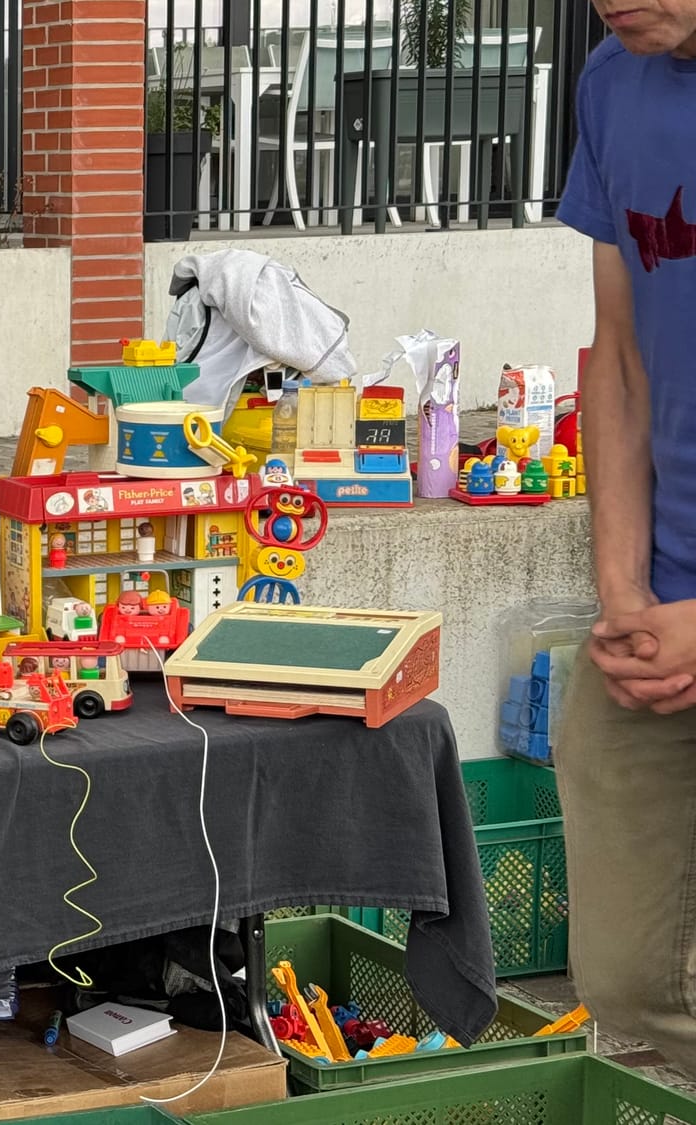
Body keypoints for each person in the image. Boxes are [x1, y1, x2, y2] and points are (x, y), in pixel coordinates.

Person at [552, 0, 696, 1078]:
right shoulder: (610, 81)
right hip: (659, 608)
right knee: (627, 974)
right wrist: (621, 592)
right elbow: (619, 355)